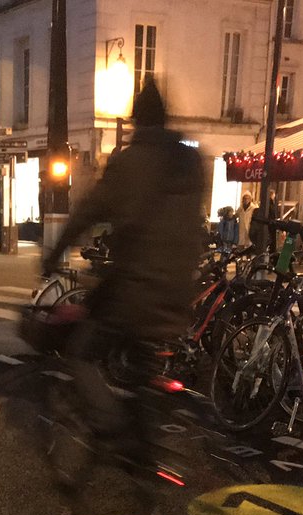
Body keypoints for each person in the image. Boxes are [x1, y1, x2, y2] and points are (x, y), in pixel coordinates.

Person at [41, 78, 204, 446]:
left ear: (135, 121)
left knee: (80, 352)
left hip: (135, 290)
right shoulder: (191, 160)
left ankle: (110, 425)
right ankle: (147, 444)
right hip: (179, 292)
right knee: (142, 366)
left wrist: (53, 255)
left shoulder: (130, 162)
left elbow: (87, 212)